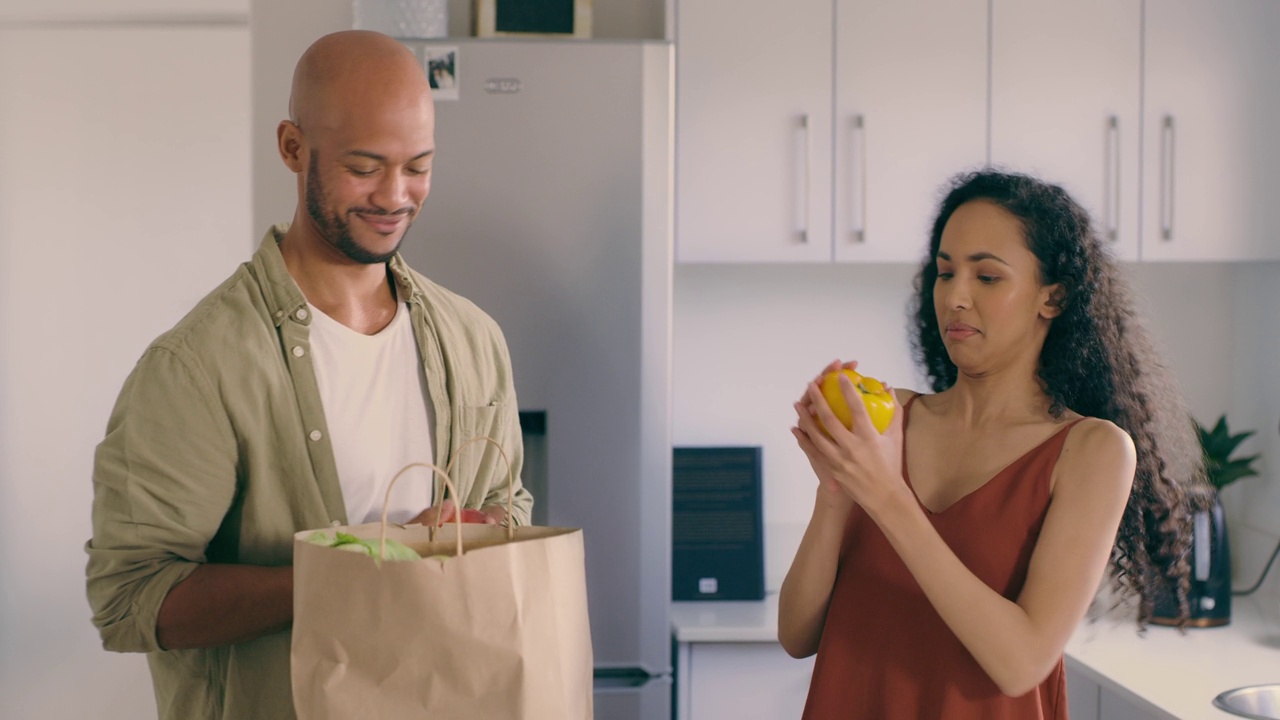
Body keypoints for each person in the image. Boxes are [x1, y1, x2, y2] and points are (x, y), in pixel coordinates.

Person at [85, 30, 533, 720]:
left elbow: (508, 507)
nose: (395, 195)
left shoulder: (474, 339)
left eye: (417, 166)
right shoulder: (198, 366)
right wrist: (350, 575)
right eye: (364, 166)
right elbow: (132, 600)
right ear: (293, 148)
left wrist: (472, 530)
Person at [779, 170, 1203, 718]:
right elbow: (796, 635)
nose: (954, 296)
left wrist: (886, 495)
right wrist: (836, 490)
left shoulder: (1092, 451)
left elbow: (1021, 662)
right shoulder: (889, 420)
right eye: (945, 271)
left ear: (1052, 297)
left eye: (986, 276)